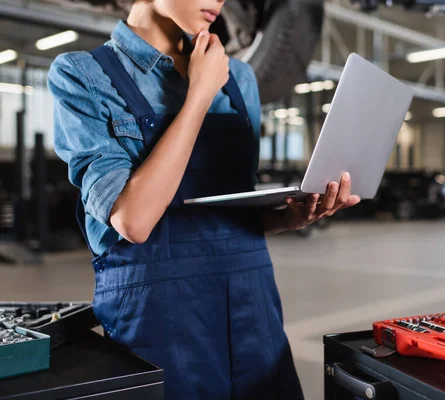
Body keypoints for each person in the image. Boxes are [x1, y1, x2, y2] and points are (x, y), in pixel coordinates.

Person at [48, 0, 360, 398]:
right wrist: (199, 94)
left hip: (255, 311)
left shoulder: (239, 77)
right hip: (158, 319)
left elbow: (225, 210)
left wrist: (287, 218)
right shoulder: (83, 74)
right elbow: (134, 220)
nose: (219, 1)